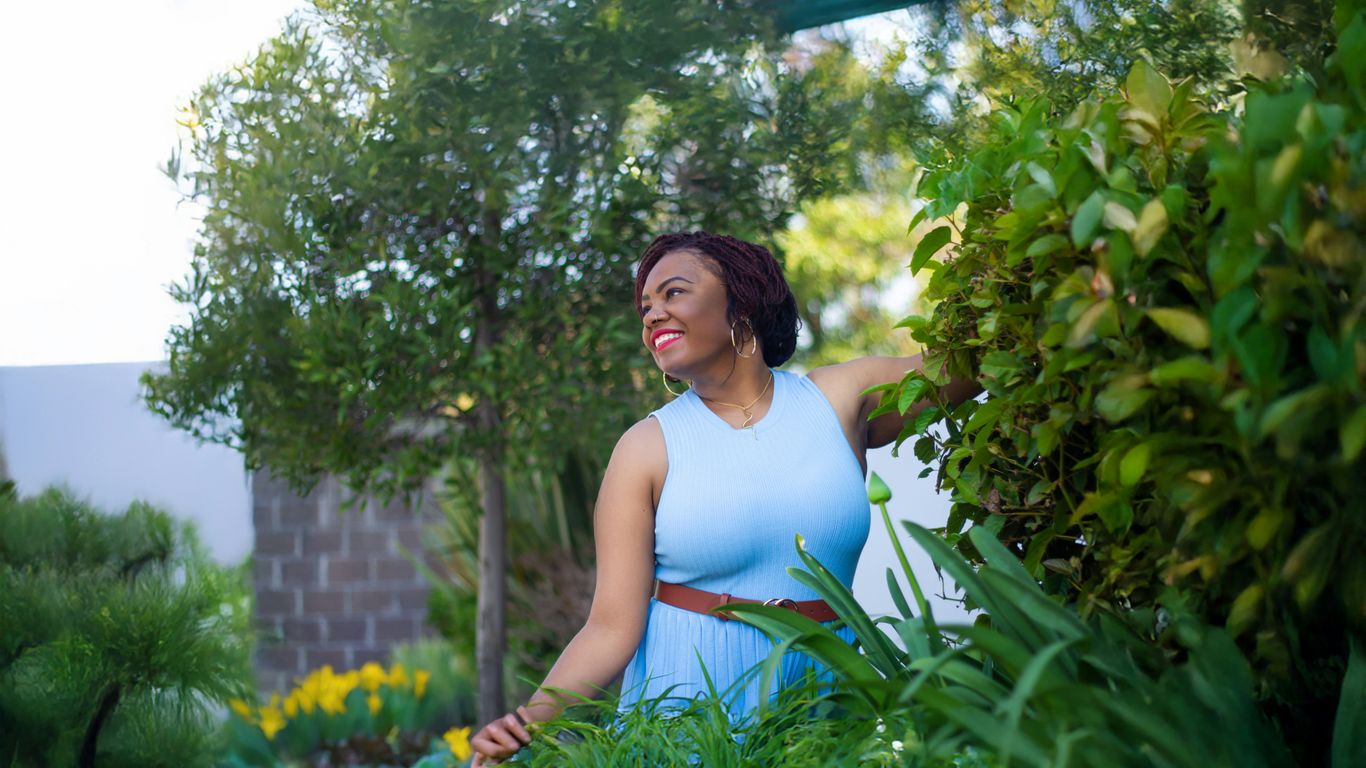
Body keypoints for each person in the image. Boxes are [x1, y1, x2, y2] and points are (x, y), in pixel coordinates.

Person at [470, 231, 980, 765]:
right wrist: (524, 724)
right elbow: (610, 628)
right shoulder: (645, 450)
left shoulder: (841, 399)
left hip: (826, 713)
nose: (651, 315)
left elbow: (969, 368)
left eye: (673, 293)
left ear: (740, 298)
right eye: (645, 305)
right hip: (687, 724)